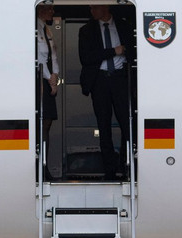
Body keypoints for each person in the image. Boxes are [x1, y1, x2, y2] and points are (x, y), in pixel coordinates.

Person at [78, 5, 135, 180]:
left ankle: (128, 167)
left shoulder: (124, 26)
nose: (91, 11)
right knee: (104, 126)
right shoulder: (86, 30)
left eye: (94, 7)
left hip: (120, 79)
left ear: (105, 7)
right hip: (100, 81)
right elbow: (86, 58)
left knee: (127, 124)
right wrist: (114, 51)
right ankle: (109, 170)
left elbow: (133, 52)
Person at [36, 3, 60, 179]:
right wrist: (47, 77)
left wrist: (55, 76)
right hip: (40, 82)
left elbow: (53, 56)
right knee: (41, 124)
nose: (52, 11)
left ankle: (44, 166)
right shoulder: (34, 29)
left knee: (48, 123)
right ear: (40, 10)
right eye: (49, 8)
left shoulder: (47, 30)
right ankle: (40, 167)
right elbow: (38, 57)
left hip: (48, 80)